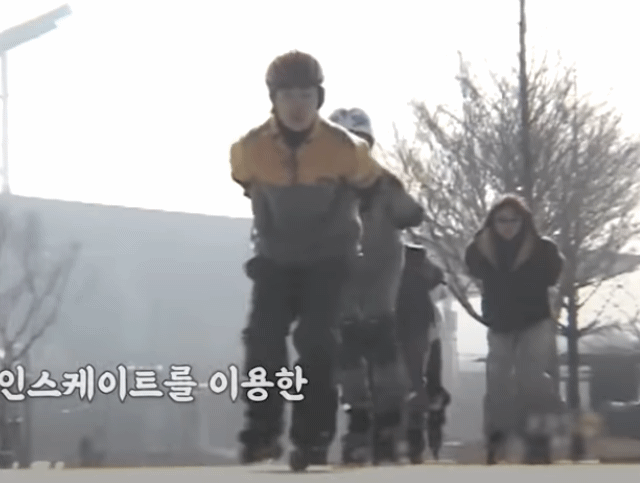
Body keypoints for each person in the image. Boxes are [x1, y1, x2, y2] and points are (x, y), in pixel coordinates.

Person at [229, 51, 385, 471]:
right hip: (275, 257)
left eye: (306, 95)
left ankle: (312, 436)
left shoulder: (345, 148)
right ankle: (261, 430)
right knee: (262, 337)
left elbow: (371, 186)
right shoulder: (249, 149)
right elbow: (245, 183)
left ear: (318, 98)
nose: (297, 105)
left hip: (328, 259)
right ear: (273, 100)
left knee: (316, 340)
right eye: (287, 96)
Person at [328, 108, 425, 465]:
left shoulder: (384, 183)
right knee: (348, 339)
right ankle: (358, 414)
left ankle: (389, 416)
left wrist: (397, 196)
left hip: (381, 270)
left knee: (380, 332)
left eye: (359, 144)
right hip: (342, 273)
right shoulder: (323, 187)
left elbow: (411, 214)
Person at [464, 194, 564, 464]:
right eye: (502, 220)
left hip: (534, 320)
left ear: (524, 222)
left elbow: (554, 273)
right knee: (497, 381)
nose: (507, 226)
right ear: (492, 222)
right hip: (500, 323)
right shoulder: (480, 249)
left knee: (532, 380)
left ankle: (538, 441)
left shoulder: (543, 248)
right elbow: (472, 267)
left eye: (514, 220)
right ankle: (496, 441)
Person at [395, 243, 451, 463]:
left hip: (411, 330)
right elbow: (440, 289)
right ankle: (421, 435)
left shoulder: (404, 258)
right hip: (423, 330)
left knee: (412, 383)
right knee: (423, 382)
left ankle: (414, 437)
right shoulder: (420, 262)